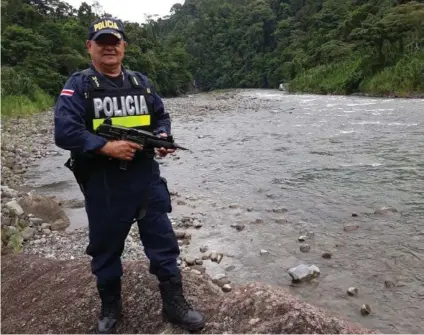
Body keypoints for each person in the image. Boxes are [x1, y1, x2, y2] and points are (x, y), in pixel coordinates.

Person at [54, 17, 205, 334]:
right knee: (106, 248)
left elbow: (160, 115)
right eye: (102, 41)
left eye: (115, 41)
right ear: (90, 46)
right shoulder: (79, 85)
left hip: (146, 179)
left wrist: (162, 137)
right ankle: (111, 308)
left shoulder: (141, 82)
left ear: (123, 46)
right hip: (105, 184)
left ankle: (174, 304)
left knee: (163, 243)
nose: (109, 46)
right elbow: (65, 132)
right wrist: (104, 147)